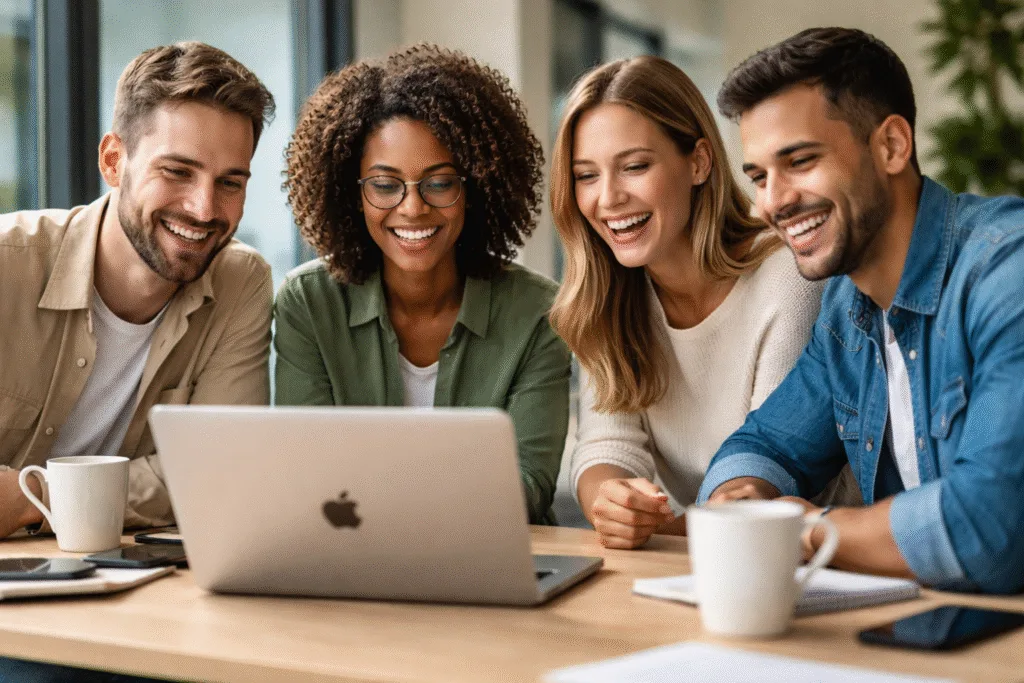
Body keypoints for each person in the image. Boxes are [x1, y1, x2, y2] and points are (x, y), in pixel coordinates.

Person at [698, 27, 1024, 594]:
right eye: (759, 177)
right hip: (934, 628)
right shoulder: (847, 309)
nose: (773, 202)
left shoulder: (1005, 271)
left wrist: (806, 531)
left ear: (892, 146)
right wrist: (737, 500)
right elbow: (763, 446)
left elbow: (990, 526)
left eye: (800, 161)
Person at [548, 55, 855, 549]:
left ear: (698, 162)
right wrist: (613, 505)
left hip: (816, 558)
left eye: (634, 167)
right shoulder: (605, 296)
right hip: (700, 556)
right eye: (586, 175)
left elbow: (779, 473)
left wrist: (661, 529)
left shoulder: (788, 276)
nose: (608, 198)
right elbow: (607, 447)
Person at [275, 45, 570, 524]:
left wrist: (371, 487)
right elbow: (304, 473)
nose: (413, 208)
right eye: (384, 185)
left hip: (486, 558)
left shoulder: (537, 313)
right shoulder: (308, 304)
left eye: (439, 183)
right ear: (353, 194)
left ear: (475, 189)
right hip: (349, 555)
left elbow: (527, 489)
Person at [0, 41, 275, 540]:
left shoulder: (241, 283)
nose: (204, 209)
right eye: (177, 172)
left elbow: (220, 470)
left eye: (230, 183)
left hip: (126, 575)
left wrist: (30, 497)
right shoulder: (7, 264)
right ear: (112, 161)